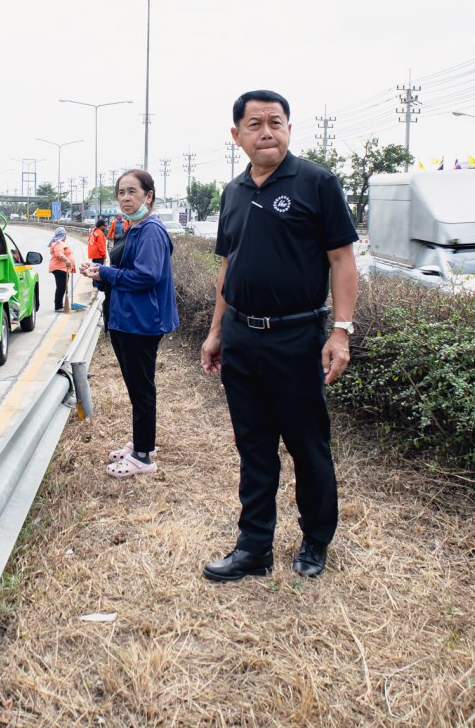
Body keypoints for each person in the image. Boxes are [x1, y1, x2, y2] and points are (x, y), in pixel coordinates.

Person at [199, 90, 359, 583]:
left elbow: (342, 260)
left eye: (276, 122)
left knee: (307, 444)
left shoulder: (316, 182)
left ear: (289, 129)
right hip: (243, 337)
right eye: (254, 124)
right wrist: (216, 330)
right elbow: (230, 265)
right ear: (236, 136)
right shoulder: (233, 193)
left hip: (297, 337)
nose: (266, 131)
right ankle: (254, 548)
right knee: (253, 445)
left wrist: (341, 332)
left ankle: (316, 539)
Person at [82, 169, 178, 478]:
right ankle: (141, 444)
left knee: (141, 389)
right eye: (121, 192)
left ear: (148, 196)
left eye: (132, 191)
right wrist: (100, 275)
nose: (125, 197)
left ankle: (143, 458)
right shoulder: (133, 228)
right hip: (127, 319)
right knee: (137, 388)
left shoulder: (150, 230)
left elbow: (146, 276)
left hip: (140, 322)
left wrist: (107, 274)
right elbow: (124, 272)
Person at [48, 226, 77, 312]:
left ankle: (60, 304)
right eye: (65, 234)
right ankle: (58, 306)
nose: (66, 236)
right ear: (63, 235)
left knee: (63, 287)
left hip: (64, 268)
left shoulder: (61, 242)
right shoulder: (58, 243)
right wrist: (67, 260)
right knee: (61, 287)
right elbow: (59, 254)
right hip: (59, 268)